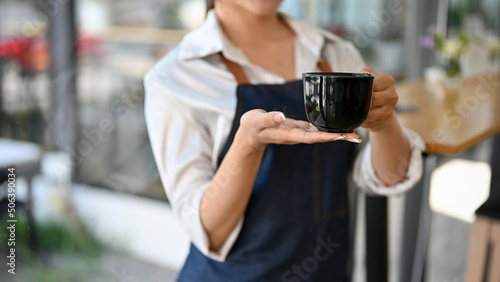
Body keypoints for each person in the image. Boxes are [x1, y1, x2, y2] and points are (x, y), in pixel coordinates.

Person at [144, 0, 425, 281]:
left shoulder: (335, 53)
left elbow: (389, 177)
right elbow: (210, 233)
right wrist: (248, 145)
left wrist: (384, 124)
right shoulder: (174, 77)